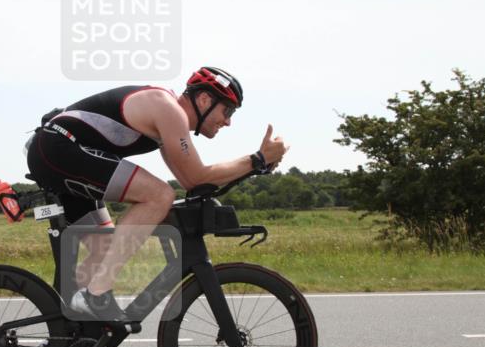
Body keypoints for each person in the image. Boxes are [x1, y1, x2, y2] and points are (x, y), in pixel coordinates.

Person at [26, 66, 288, 320]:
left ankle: (70, 332)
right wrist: (257, 159)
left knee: (106, 247)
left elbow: (190, 181)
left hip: (60, 151)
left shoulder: (169, 121)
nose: (228, 121)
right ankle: (95, 296)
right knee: (159, 195)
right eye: (227, 110)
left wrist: (257, 166)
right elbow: (197, 176)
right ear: (205, 98)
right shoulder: (168, 109)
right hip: (58, 148)